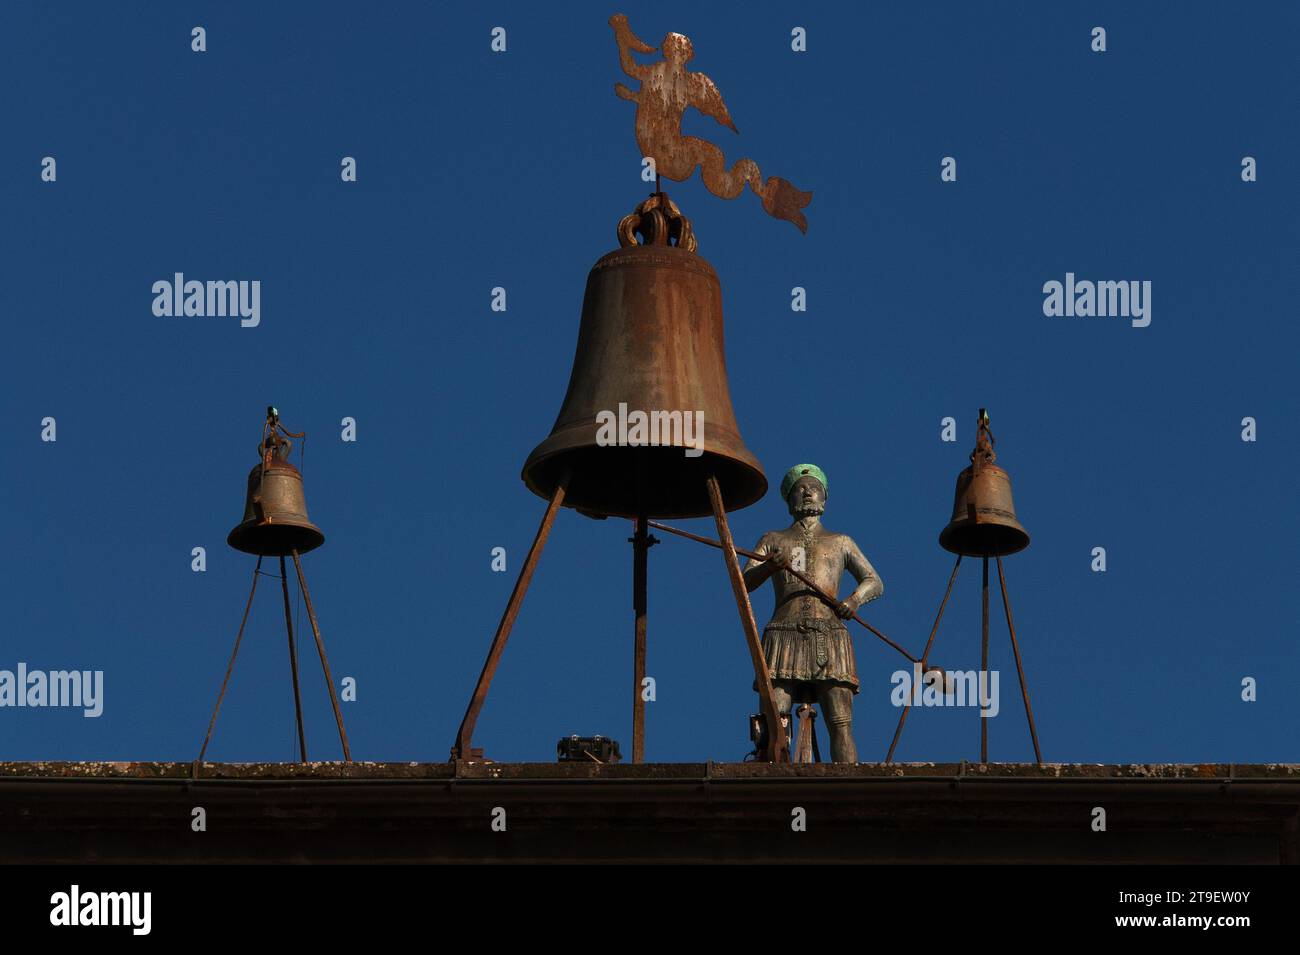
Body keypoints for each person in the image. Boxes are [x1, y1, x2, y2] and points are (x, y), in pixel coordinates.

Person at [742, 464, 883, 762]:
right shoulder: (773, 539)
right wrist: (770, 565)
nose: (807, 492)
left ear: (824, 498)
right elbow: (745, 581)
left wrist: (854, 600)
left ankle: (847, 785)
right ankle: (771, 780)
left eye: (814, 487)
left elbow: (874, 581)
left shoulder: (840, 542)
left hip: (828, 635)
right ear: (790, 501)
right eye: (800, 489)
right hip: (783, 634)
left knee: (840, 720)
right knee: (774, 719)